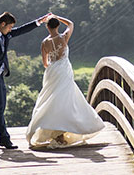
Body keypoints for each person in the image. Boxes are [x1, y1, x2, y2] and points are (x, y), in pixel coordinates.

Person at [25, 13, 106, 149]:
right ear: (57, 25)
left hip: (52, 72)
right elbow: (71, 24)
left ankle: (55, 131)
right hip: (64, 71)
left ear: (47, 27)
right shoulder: (63, 38)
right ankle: (63, 130)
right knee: (66, 97)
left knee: (51, 98)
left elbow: (45, 63)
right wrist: (56, 16)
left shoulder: (44, 43)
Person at [0, 11, 49, 149]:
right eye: (9, 27)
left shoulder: (5, 34)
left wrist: (39, 21)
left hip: (0, 75)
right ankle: (4, 138)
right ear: (3, 24)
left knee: (0, 107)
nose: (10, 30)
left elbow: (21, 30)